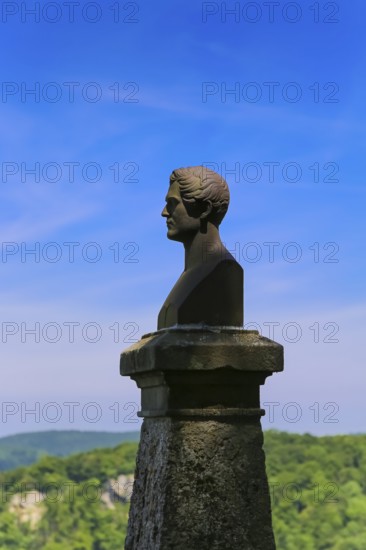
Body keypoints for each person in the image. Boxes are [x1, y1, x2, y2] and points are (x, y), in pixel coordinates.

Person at [158, 166, 243, 329]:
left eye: (173, 203)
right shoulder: (191, 272)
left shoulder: (223, 269)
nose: (164, 212)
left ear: (205, 209)